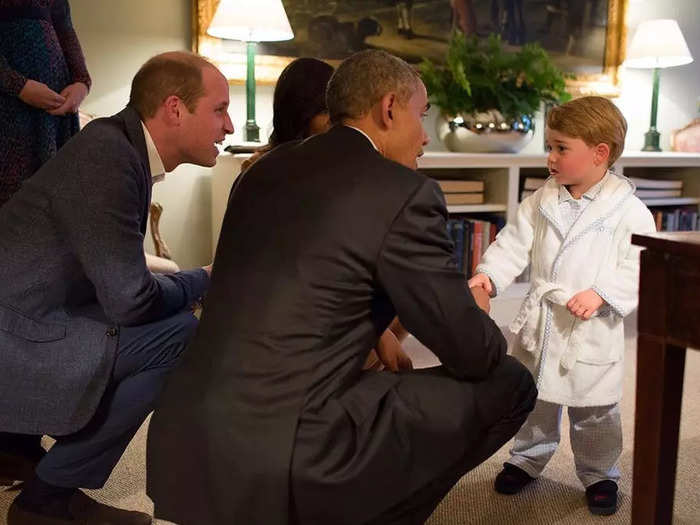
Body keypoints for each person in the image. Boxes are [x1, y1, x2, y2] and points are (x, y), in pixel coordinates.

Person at [147, 49, 537, 525]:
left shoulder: (261, 171)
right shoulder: (404, 194)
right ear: (389, 108)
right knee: (511, 381)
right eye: (422, 114)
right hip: (287, 453)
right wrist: (476, 310)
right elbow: (473, 353)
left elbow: (301, 282)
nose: (425, 136)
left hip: (184, 438)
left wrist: (379, 332)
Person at [0, 50, 233, 525]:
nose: (228, 126)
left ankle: (18, 449)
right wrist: (204, 279)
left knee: (168, 319)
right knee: (179, 335)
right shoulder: (110, 158)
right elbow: (132, 301)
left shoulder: (116, 146)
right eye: (219, 109)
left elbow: (115, 280)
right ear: (174, 108)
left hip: (29, 312)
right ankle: (46, 499)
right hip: (17, 332)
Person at [468, 96, 657, 516]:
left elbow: (639, 263)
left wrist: (603, 293)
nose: (550, 157)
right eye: (549, 147)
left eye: (560, 148)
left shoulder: (629, 211)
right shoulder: (542, 200)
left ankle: (601, 473)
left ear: (599, 153)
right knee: (536, 399)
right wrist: (490, 276)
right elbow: (513, 242)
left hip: (590, 326)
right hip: (543, 321)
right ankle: (527, 458)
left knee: (595, 410)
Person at [242, 56, 411, 372]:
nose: (338, 124)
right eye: (328, 114)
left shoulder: (340, 164)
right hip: (286, 307)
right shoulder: (267, 170)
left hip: (327, 296)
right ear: (301, 115)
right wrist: (375, 330)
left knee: (402, 291)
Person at [0, 0, 90, 207]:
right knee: (13, 209)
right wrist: (19, 86)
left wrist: (81, 83)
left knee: (55, 205)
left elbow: (65, 29)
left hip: (55, 117)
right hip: (10, 113)